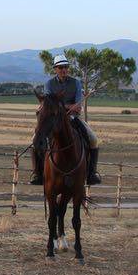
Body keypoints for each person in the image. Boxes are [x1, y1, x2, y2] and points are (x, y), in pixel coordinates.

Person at [30, 54, 102, 186]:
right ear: (55, 69)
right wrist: (66, 106)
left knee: (93, 139)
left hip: (72, 118)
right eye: (60, 67)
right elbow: (48, 105)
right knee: (34, 139)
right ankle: (37, 173)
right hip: (53, 120)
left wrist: (60, 106)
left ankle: (92, 173)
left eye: (66, 67)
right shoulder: (49, 84)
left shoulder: (76, 82)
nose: (64, 70)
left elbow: (78, 108)